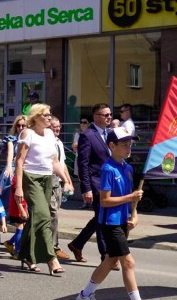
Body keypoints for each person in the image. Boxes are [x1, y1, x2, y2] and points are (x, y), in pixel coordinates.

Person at [76, 127, 143, 300]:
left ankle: (85, 294)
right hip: (110, 223)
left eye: (130, 144)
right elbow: (105, 200)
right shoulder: (108, 169)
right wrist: (130, 197)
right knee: (128, 262)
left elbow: (131, 199)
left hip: (122, 221)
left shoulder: (128, 168)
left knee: (110, 260)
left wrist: (134, 216)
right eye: (124, 144)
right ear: (112, 145)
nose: (129, 148)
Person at [15, 103, 72, 275]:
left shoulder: (49, 135)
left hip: (47, 178)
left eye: (49, 114)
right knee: (43, 215)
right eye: (46, 115)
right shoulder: (28, 133)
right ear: (37, 117)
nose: (49, 117)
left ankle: (26, 255)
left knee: (36, 218)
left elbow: (54, 161)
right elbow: (19, 161)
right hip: (31, 178)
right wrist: (19, 187)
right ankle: (51, 258)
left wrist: (66, 180)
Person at [68, 103, 112, 265]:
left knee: (100, 217)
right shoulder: (88, 135)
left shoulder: (111, 133)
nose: (109, 117)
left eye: (110, 114)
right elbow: (83, 163)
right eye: (105, 115)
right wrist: (86, 188)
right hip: (96, 184)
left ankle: (77, 244)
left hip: (110, 183)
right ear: (96, 117)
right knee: (102, 220)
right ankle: (105, 256)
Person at [2, 115, 28, 259]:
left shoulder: (31, 139)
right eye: (19, 125)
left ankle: (11, 243)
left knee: (25, 219)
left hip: (28, 175)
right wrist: (8, 166)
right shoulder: (12, 140)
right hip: (14, 175)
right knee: (19, 216)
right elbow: (11, 155)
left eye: (24, 125)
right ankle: (18, 250)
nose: (21, 128)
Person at [49, 117, 72, 260]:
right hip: (48, 181)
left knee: (54, 214)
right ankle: (53, 248)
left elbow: (62, 164)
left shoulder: (59, 143)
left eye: (59, 126)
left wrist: (68, 181)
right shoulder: (47, 141)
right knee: (52, 216)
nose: (57, 129)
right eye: (54, 126)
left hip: (58, 183)